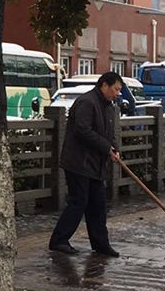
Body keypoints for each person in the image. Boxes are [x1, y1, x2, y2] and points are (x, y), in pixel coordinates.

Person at [49, 71, 124, 258]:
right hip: (78, 163)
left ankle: (101, 244)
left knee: (98, 204)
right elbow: (83, 130)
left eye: (119, 90)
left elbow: (108, 133)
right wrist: (106, 147)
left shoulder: (108, 106)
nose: (117, 94)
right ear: (104, 85)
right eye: (115, 89)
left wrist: (114, 148)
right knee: (78, 202)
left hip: (96, 165)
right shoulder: (87, 102)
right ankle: (59, 240)